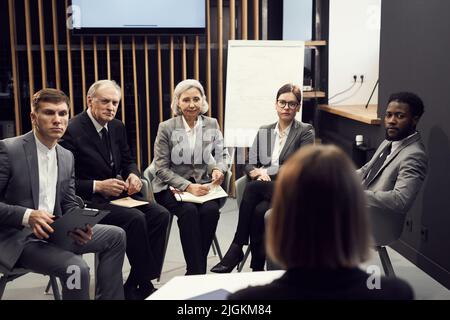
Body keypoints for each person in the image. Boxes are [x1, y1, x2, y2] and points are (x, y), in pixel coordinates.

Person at [228, 145, 414, 300]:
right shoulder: (396, 294)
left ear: (280, 225)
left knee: (256, 196)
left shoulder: (244, 302)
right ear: (356, 223)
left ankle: (238, 247)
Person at [0, 88, 126, 300]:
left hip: (55, 231)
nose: (57, 120)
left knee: (116, 236)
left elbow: (68, 202)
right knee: (77, 269)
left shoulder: (66, 156)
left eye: (62, 114)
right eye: (49, 113)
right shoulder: (9, 150)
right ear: (33, 117)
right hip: (19, 239)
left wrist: (80, 225)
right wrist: (27, 215)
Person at [59, 80, 170, 300]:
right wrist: (97, 185)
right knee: (135, 219)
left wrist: (133, 175)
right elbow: (64, 182)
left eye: (115, 102)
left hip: (117, 195)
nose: (111, 107)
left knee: (161, 215)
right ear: (90, 101)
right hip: (86, 200)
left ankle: (136, 281)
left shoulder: (117, 126)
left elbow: (128, 160)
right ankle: (143, 284)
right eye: (105, 101)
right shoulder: (71, 129)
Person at [211, 83, 314, 273]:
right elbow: (249, 162)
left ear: (298, 107)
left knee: (251, 189)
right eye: (282, 102)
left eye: (292, 104)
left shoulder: (305, 131)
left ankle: (236, 247)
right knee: (259, 212)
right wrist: (254, 172)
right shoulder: (265, 130)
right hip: (265, 191)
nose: (286, 107)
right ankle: (257, 268)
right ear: (275, 105)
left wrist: (268, 172)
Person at [151, 79, 230, 275]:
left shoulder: (211, 123)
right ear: (178, 102)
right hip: (170, 186)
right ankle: (197, 272)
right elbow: (161, 168)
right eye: (186, 100)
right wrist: (187, 186)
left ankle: (195, 271)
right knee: (189, 213)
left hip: (203, 186)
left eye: (196, 99)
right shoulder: (166, 127)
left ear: (203, 101)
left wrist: (218, 169)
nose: (192, 104)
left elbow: (222, 155)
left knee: (211, 211)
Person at [357, 92, 428, 217]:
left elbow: (401, 200)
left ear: (414, 119)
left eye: (399, 116)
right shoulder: (388, 141)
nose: (391, 121)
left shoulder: (415, 155)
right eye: (388, 115)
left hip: (374, 220)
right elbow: (366, 170)